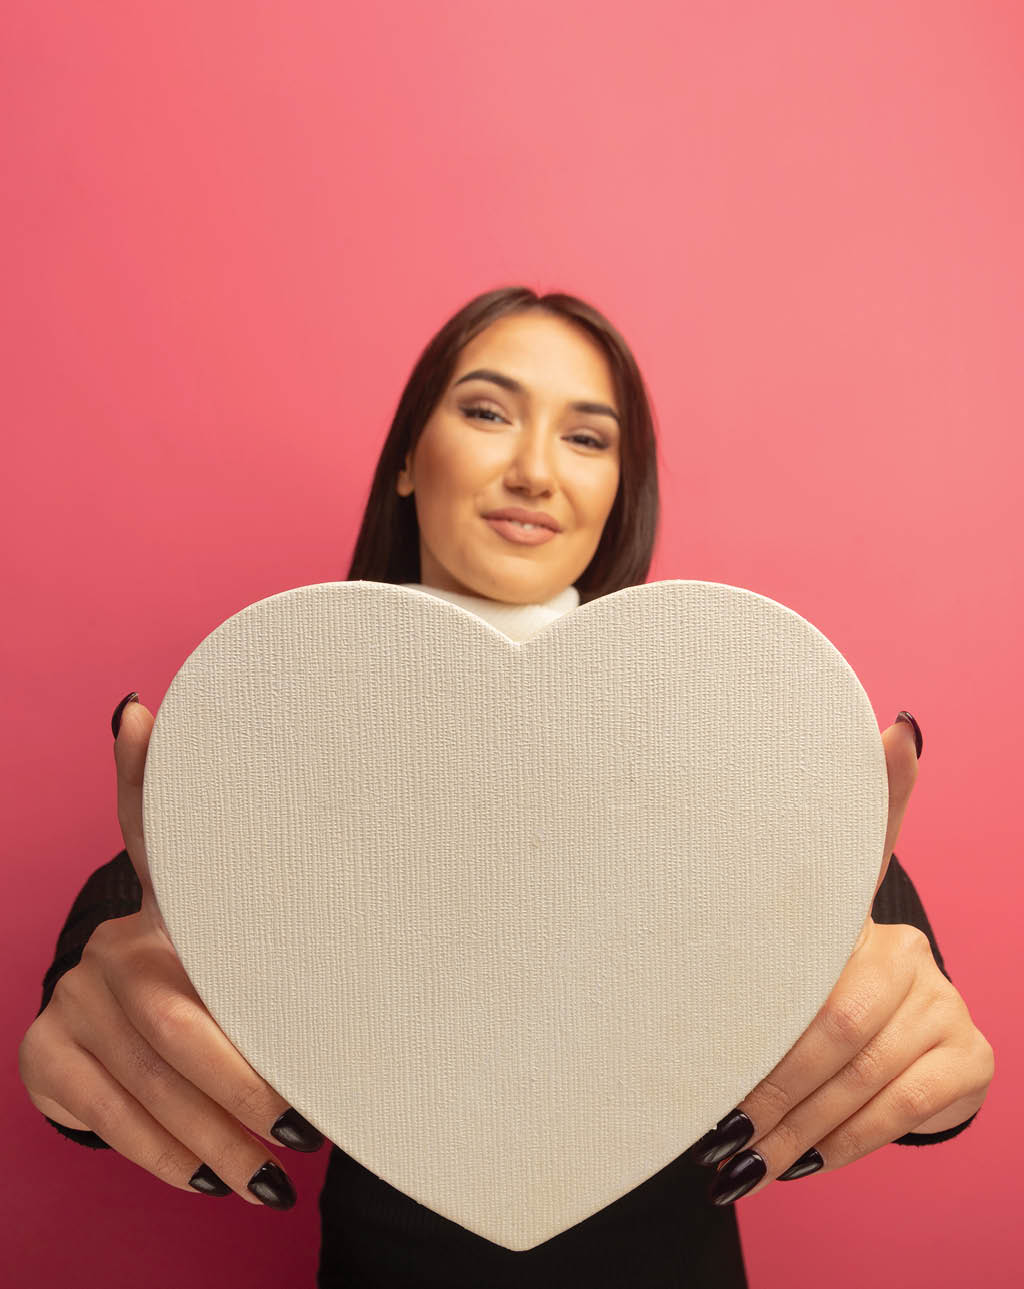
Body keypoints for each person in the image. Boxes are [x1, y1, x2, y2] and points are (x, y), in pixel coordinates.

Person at [18, 286, 990, 1287]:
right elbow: (114, 972)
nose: (533, 469)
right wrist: (87, 1039)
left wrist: (933, 1069)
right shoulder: (273, 750)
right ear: (406, 456)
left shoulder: (724, 754)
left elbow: (919, 1023)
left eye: (587, 437)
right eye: (486, 411)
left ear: (622, 486)